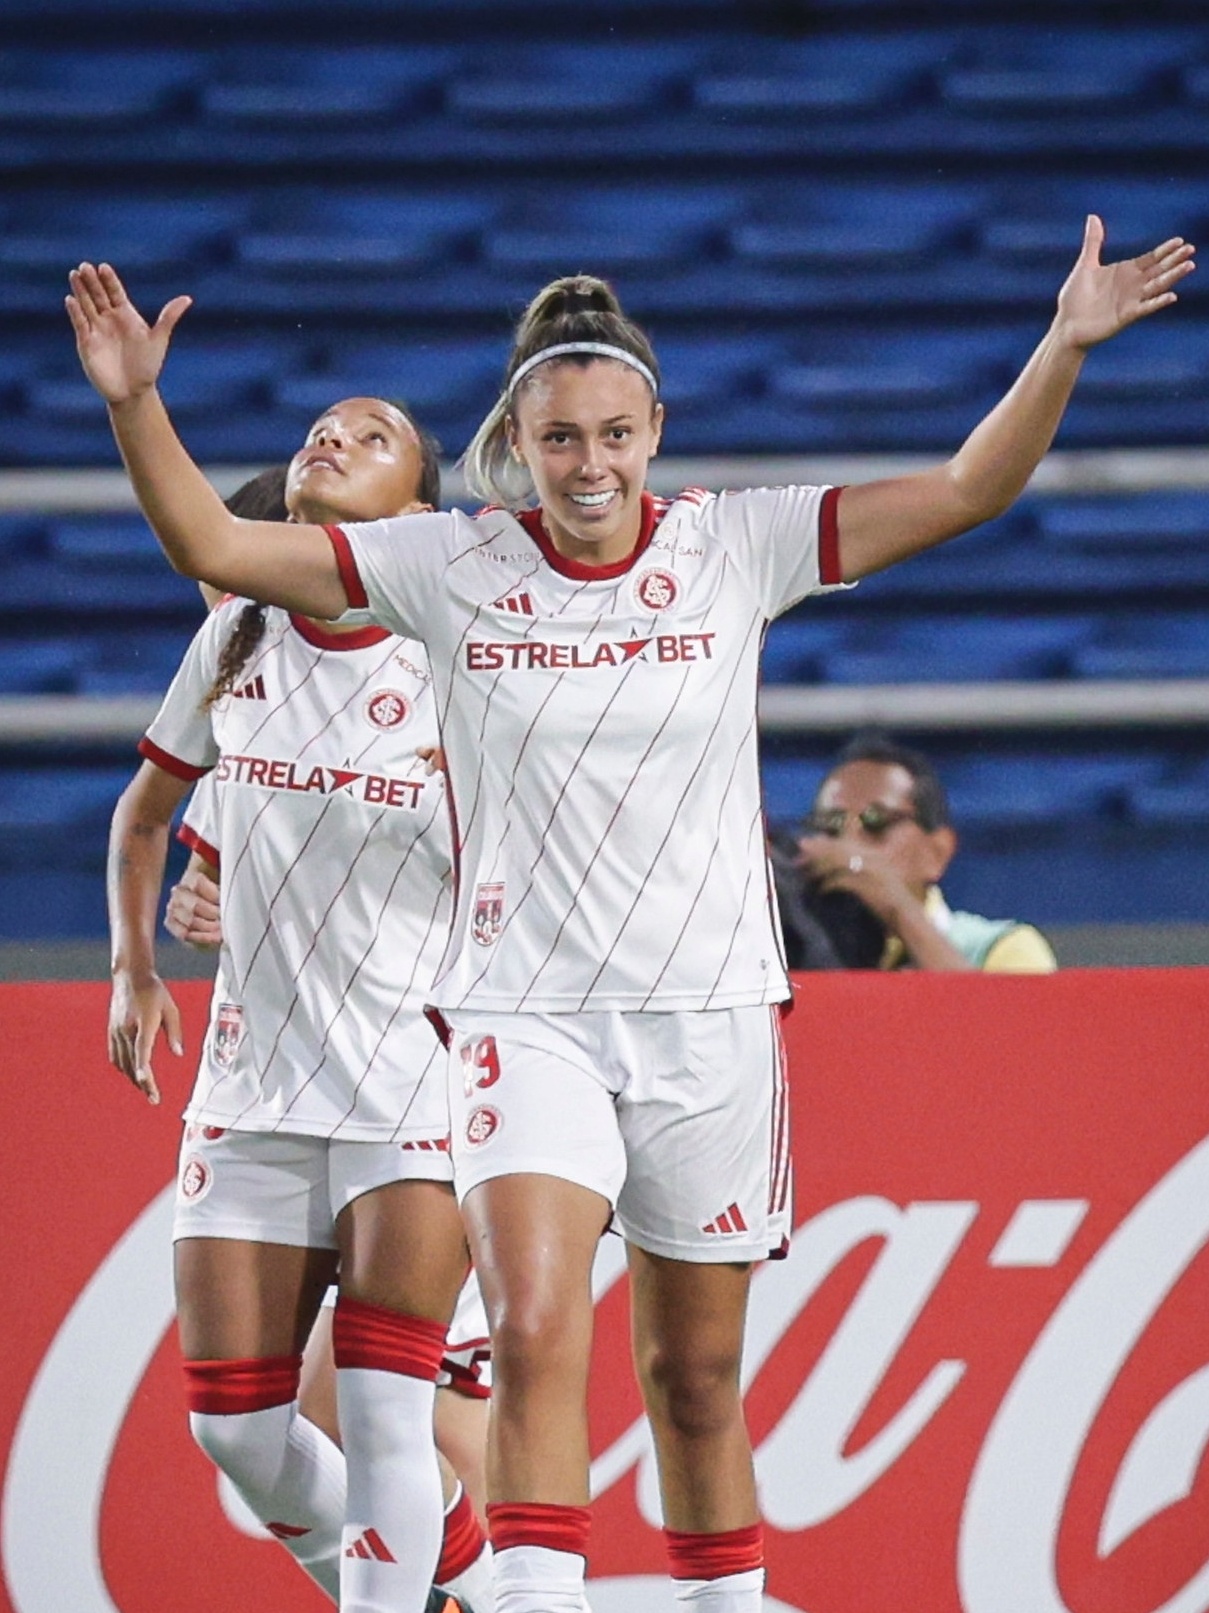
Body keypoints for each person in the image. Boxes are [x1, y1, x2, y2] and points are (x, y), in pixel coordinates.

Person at [70, 214, 1193, 1613]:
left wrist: (1062, 347)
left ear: (655, 427)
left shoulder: (738, 548)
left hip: (710, 1019)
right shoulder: (449, 564)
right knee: (535, 1332)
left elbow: (968, 486)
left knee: (692, 1381)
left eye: (613, 433)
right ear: (518, 441)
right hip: (523, 1021)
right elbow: (210, 541)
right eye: (558, 439)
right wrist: (133, 404)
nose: (589, 465)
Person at [105, 403, 492, 1613]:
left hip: (409, 1089)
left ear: (423, 518)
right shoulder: (236, 636)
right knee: (238, 1431)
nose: (332, 441)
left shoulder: (461, 665)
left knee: (384, 1412)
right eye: (323, 429)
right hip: (254, 1084)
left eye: (371, 438)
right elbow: (151, 820)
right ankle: (460, 1584)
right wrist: (135, 963)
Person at [781, 732, 1058, 971]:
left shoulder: (1002, 948)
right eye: (830, 825)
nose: (848, 842)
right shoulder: (793, 952)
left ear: (937, 852)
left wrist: (898, 908)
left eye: (876, 822)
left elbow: (1002, 1028)